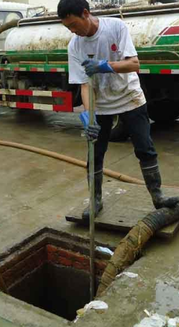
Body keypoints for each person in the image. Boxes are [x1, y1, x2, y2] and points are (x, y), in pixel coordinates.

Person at [57, 0, 179, 220]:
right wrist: (88, 116)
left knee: (145, 149)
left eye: (74, 25)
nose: (73, 31)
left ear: (86, 13)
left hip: (130, 97)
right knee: (95, 155)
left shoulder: (115, 28)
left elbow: (134, 64)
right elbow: (84, 85)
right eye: (68, 28)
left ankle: (158, 196)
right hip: (101, 104)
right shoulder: (74, 45)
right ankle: (95, 200)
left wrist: (105, 66)